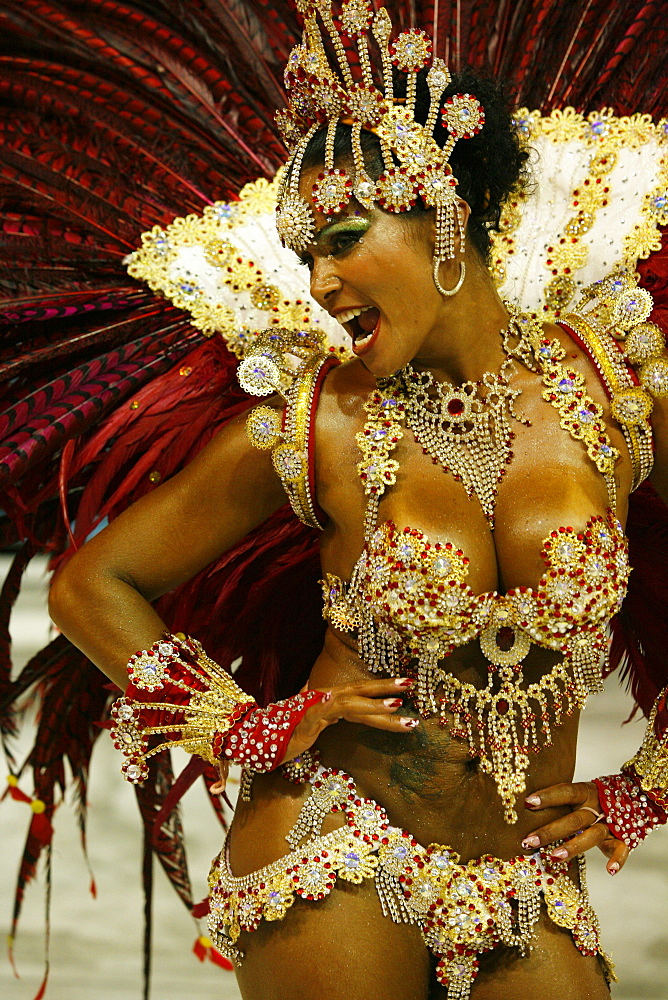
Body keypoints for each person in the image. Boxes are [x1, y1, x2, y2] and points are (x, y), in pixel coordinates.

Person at [44, 4, 668, 999]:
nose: (320, 280)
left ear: (443, 209)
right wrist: (238, 723)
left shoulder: (616, 391)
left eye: (339, 238)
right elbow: (93, 585)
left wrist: (644, 788)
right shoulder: (311, 423)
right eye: (303, 257)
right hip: (333, 838)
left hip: (526, 873)